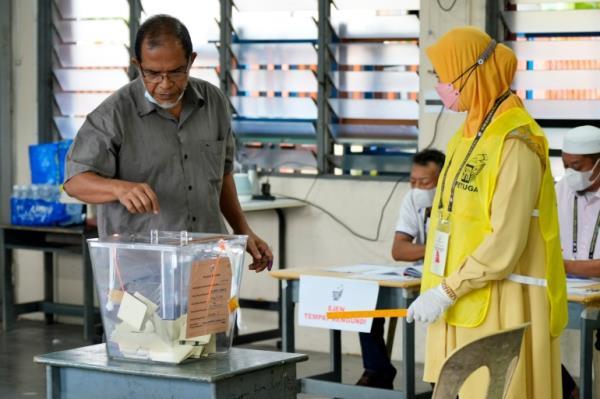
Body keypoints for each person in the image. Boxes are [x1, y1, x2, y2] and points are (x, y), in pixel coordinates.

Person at [407, 27, 567, 398]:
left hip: (504, 300)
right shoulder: (465, 136)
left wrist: (447, 289)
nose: (441, 84)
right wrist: (438, 285)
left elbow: (506, 240)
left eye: (444, 74)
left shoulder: (516, 142)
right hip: (464, 296)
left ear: (471, 72)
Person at [64, 14, 272, 272]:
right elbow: (75, 182)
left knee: (216, 315)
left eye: (176, 72)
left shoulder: (213, 102)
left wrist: (242, 229)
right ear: (137, 65)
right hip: (141, 271)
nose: (165, 84)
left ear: (191, 61)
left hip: (208, 261)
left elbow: (223, 174)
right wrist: (119, 189)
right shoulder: (114, 114)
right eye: (152, 73)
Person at [356, 149, 445, 389]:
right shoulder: (413, 199)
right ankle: (377, 371)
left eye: (424, 182)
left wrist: (428, 250)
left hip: (448, 279)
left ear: (443, 178)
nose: (417, 187)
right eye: (412, 181)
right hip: (418, 274)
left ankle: (444, 380)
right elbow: (399, 250)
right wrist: (439, 249)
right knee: (366, 301)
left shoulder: (456, 201)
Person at [556, 125, 600, 399]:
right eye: (565, 164)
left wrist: (567, 266)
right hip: (568, 290)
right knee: (522, 326)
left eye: (576, 165)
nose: (570, 172)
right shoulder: (562, 190)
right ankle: (568, 391)